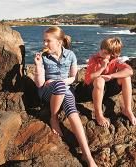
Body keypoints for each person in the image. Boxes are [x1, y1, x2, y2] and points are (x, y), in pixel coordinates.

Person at [34, 26, 97, 167]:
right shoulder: (43, 57)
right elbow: (39, 84)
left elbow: (73, 78)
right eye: (44, 40)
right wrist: (38, 66)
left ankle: (88, 156)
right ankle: (53, 117)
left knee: (73, 113)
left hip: (65, 89)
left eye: (48, 41)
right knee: (60, 87)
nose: (44, 44)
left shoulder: (71, 55)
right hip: (47, 92)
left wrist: (59, 82)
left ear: (59, 42)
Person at [83, 36, 136, 128]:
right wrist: (102, 68)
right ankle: (98, 114)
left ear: (113, 55)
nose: (100, 52)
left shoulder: (116, 61)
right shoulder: (94, 58)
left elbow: (129, 71)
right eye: (101, 49)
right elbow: (88, 79)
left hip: (107, 91)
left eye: (104, 52)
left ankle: (127, 110)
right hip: (92, 90)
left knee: (126, 77)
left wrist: (111, 76)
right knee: (100, 80)